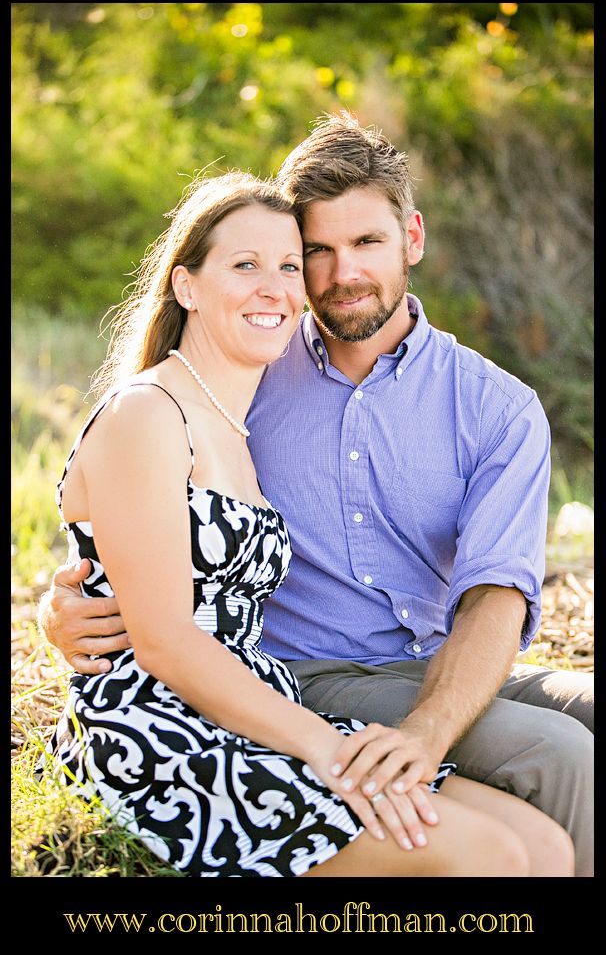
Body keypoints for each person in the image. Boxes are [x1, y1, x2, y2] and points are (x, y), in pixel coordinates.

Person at [38, 133, 583, 876]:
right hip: (296, 676)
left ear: (411, 238)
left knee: (569, 761)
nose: (340, 272)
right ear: (187, 283)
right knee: (562, 759)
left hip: (426, 663)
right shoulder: (249, 360)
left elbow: (495, 594)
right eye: (316, 250)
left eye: (365, 240)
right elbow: (128, 532)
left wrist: (428, 727)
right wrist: (65, 601)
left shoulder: (494, 406)